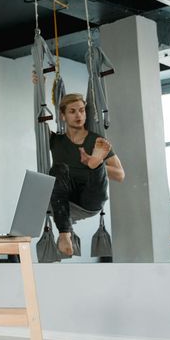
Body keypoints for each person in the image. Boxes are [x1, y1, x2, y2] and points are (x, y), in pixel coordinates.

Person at [49, 93, 125, 256]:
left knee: (96, 169)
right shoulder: (56, 141)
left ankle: (96, 165)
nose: (79, 115)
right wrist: (38, 85)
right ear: (62, 116)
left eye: (82, 111)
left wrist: (95, 164)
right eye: (73, 111)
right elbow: (38, 127)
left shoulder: (97, 141)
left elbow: (120, 175)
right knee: (57, 169)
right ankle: (65, 234)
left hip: (91, 197)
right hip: (66, 198)